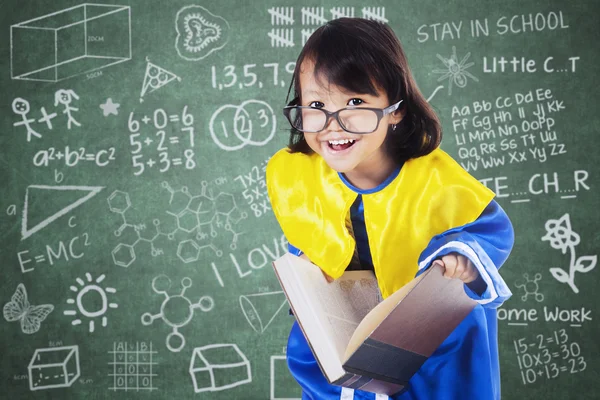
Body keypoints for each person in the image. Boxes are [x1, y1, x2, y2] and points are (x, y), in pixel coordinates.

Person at [266, 17, 514, 400]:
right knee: (318, 361)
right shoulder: (298, 173)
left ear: (395, 109)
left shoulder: (435, 180)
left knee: (450, 357)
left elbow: (491, 231)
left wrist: (461, 256)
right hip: (345, 324)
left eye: (355, 103)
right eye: (316, 104)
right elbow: (311, 239)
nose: (334, 124)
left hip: (426, 331)